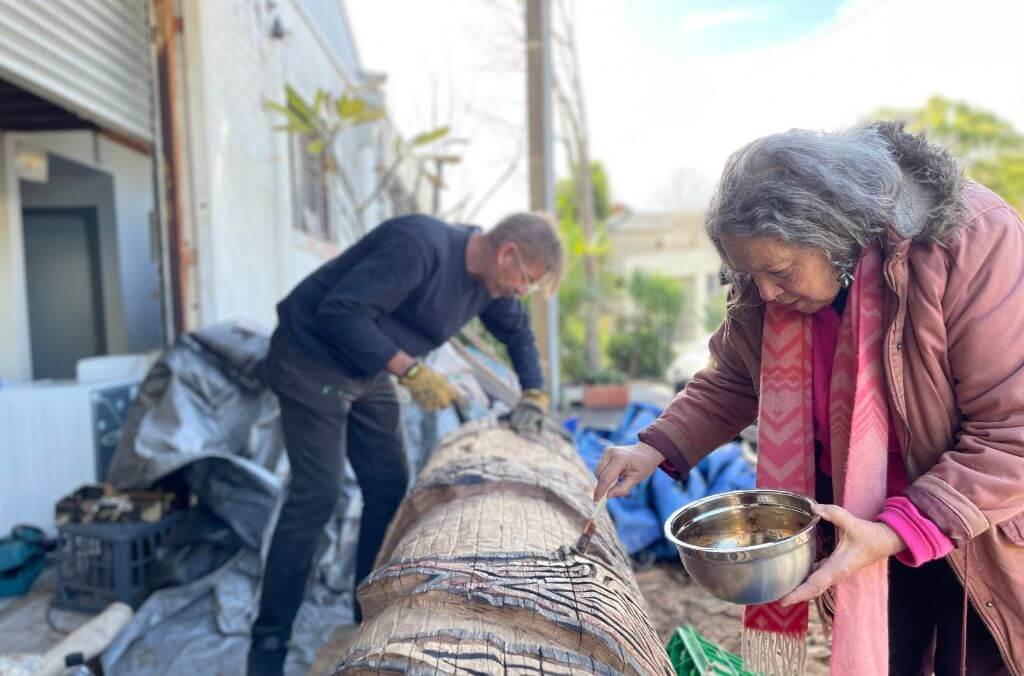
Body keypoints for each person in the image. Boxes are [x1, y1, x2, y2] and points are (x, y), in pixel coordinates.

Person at [594, 123, 1023, 675]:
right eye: (751, 276)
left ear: (833, 233)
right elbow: (734, 378)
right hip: (855, 520)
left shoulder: (972, 240)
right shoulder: (765, 284)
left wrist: (900, 528)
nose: (765, 293)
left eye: (778, 271)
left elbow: (1009, 434)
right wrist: (652, 448)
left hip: (972, 523)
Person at [248, 212, 563, 675]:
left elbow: (516, 332)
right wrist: (410, 370)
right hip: (309, 357)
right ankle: (268, 648)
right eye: (525, 279)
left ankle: (365, 620)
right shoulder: (420, 245)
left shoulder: (489, 285)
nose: (521, 291)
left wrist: (534, 392)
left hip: (365, 368)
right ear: (507, 252)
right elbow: (341, 312)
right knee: (317, 497)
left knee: (389, 486)